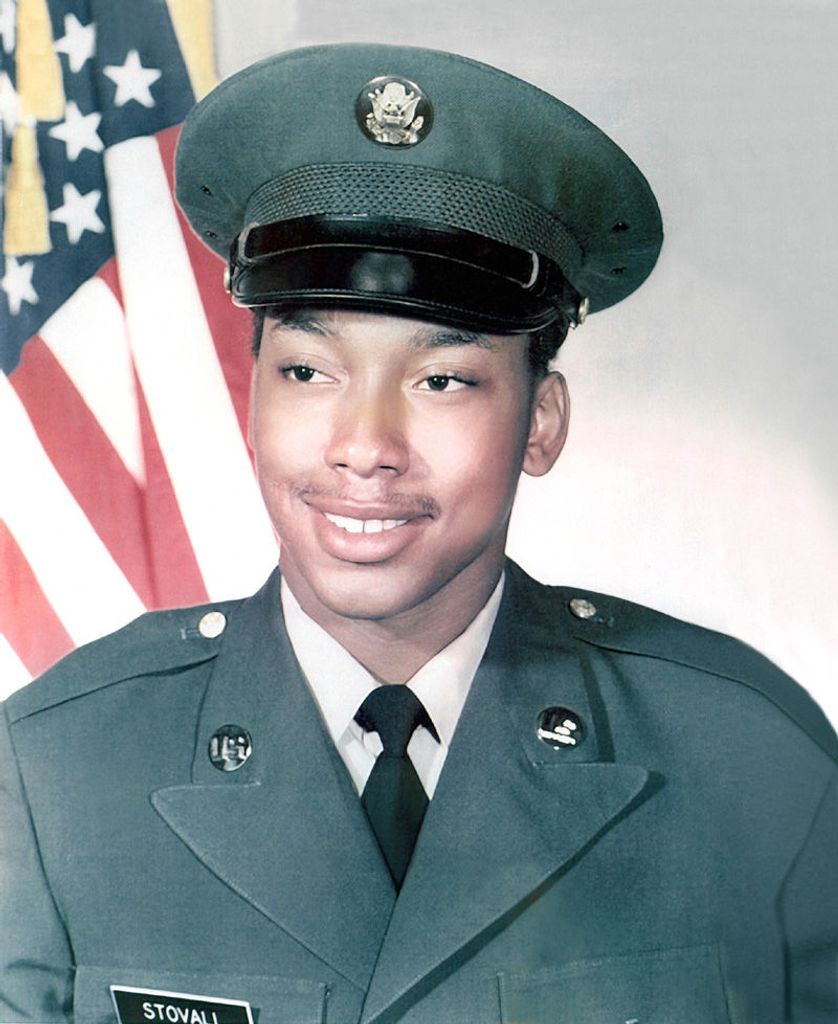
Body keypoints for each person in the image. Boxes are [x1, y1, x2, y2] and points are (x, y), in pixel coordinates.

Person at [1, 42, 836, 1024]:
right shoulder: (55, 778)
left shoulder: (746, 760)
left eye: (442, 380)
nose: (364, 447)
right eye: (308, 372)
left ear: (541, 422)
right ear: (252, 396)